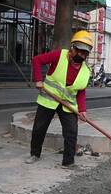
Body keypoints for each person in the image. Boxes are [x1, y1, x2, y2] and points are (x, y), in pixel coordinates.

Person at [25, 30, 93, 168]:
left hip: (68, 105)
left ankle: (68, 162)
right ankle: (34, 154)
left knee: (71, 132)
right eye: (79, 51)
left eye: (85, 53)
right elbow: (37, 60)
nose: (82, 55)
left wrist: (82, 109)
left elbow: (81, 92)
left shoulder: (86, 71)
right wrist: (38, 80)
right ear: (72, 48)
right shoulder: (59, 55)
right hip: (48, 99)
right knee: (39, 128)